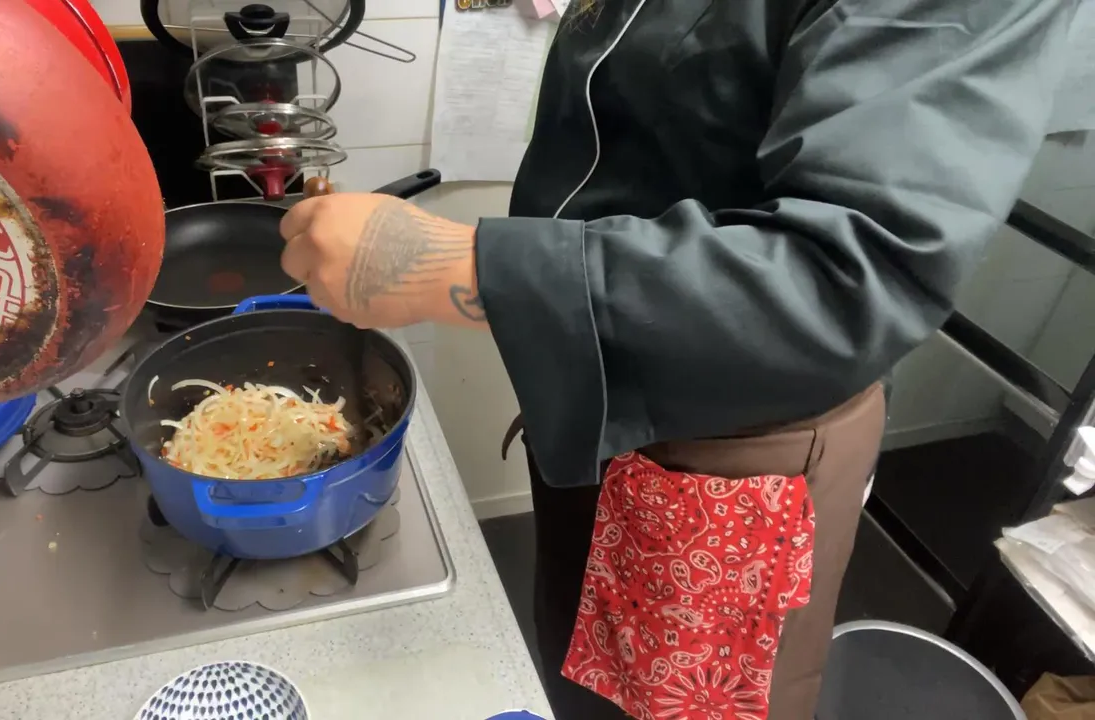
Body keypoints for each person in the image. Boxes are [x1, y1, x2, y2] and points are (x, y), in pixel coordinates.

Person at [279, 0, 1078, 717]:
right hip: (598, 390)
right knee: (578, 675)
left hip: (732, 452)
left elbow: (845, 277)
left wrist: (457, 268)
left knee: (674, 708)